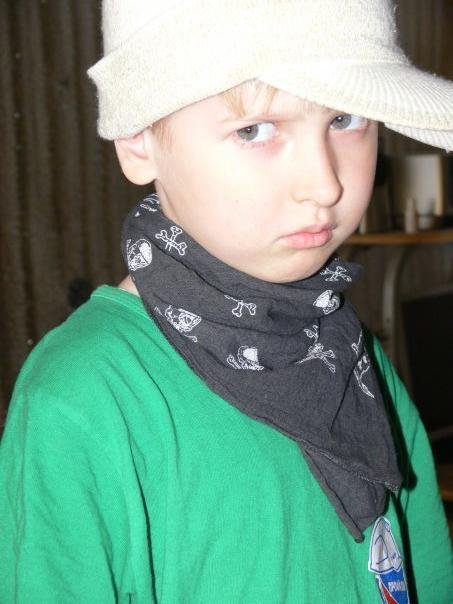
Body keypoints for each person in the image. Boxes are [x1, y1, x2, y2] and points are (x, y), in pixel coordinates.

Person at [1, 1, 452, 602]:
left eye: (346, 118)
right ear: (138, 142)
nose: (324, 184)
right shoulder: (84, 397)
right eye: (253, 130)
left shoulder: (351, 354)